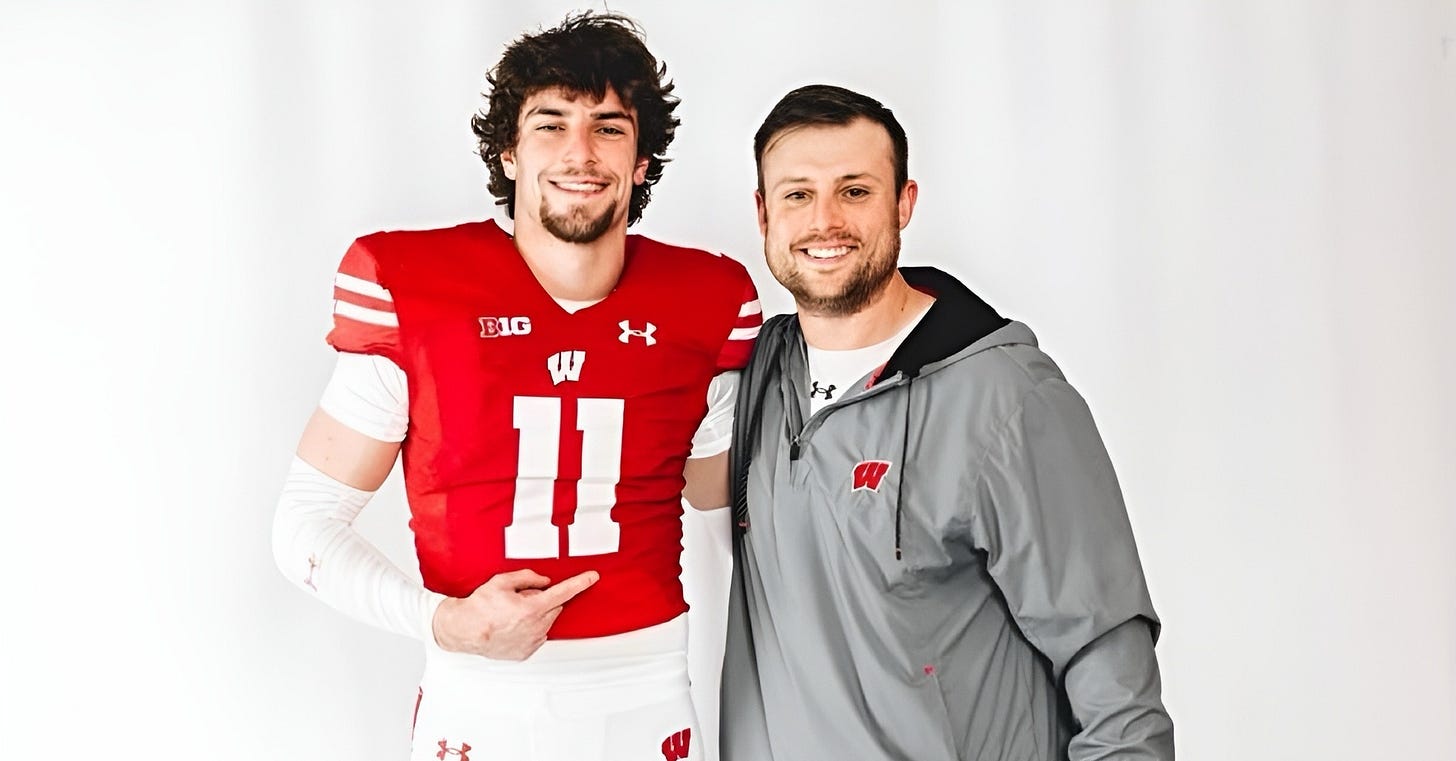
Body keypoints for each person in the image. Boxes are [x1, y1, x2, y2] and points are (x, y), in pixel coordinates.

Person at [271, 13, 761, 761]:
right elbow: (303, 525)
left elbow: (726, 500)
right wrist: (442, 621)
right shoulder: (410, 285)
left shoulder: (710, 296)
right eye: (550, 123)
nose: (579, 152)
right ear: (507, 150)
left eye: (609, 127)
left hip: (649, 692)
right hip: (481, 699)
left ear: (642, 160)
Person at [720, 84, 1174, 760]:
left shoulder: (1008, 399)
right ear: (763, 215)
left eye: (854, 191)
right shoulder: (750, 378)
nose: (824, 220)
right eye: (797, 194)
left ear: (904, 203)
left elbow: (1116, 689)